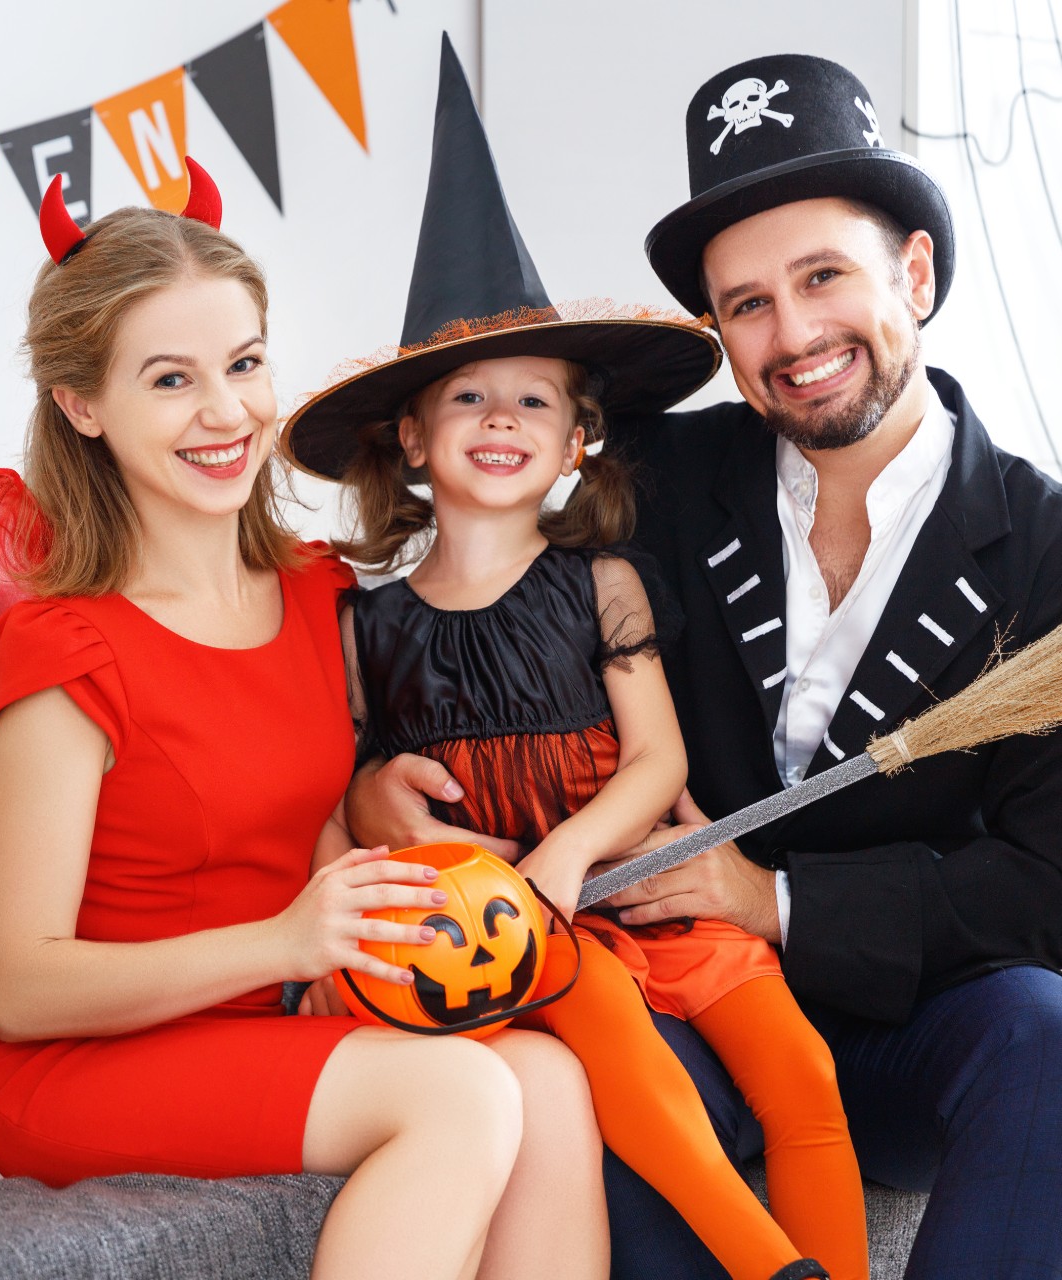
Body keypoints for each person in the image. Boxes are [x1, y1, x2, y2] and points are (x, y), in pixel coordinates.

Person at [347, 53, 1062, 1280]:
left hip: (902, 1018)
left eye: (823, 276)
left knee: (1058, 1043)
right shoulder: (655, 488)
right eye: (746, 304)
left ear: (917, 272)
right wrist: (372, 794)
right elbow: (488, 618)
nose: (792, 336)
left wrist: (774, 902)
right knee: (583, 1083)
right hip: (668, 1002)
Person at [0, 164, 609, 1280]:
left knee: (551, 1082)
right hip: (78, 1060)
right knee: (461, 1091)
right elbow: (21, 988)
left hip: (258, 1019)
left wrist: (379, 857)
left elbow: (308, 817)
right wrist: (285, 941)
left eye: (244, 363)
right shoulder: (66, 646)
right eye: (170, 380)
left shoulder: (320, 592)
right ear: (83, 405)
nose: (226, 413)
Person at [284, 40, 865, 1280]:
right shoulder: (365, 620)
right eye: (468, 399)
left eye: (535, 401)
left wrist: (568, 849)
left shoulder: (601, 583)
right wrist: (367, 805)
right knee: (631, 1063)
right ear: (414, 436)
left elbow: (656, 758)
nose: (501, 420)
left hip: (629, 879)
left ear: (579, 441)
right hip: (521, 928)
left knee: (802, 1071)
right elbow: (345, 783)